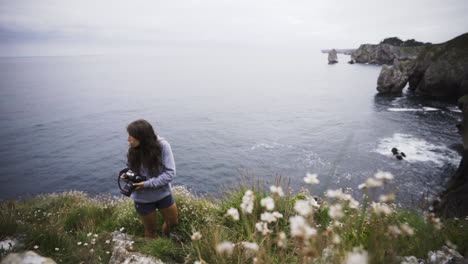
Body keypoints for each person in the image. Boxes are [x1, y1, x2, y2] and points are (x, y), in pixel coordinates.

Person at [120, 119, 179, 239]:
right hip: (143, 199)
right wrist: (127, 177)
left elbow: (170, 173)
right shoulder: (133, 150)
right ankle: (155, 253)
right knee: (151, 231)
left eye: (131, 136)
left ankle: (167, 237)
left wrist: (146, 184)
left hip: (163, 194)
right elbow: (131, 170)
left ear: (142, 137)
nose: (128, 139)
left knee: (173, 222)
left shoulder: (162, 146)